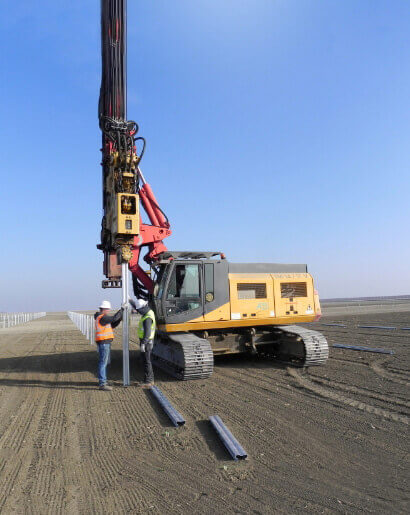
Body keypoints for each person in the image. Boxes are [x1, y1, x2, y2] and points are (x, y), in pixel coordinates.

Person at [94, 300, 123, 391]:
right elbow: (113, 318)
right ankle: (102, 383)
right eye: (108, 309)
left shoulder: (101, 318)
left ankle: (103, 381)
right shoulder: (102, 317)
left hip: (104, 343)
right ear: (104, 309)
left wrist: (120, 317)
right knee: (103, 363)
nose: (109, 311)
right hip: (104, 343)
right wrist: (122, 310)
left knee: (104, 363)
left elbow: (113, 324)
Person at [129, 298, 156, 387]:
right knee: (147, 361)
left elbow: (147, 332)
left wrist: (143, 343)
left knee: (146, 361)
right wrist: (130, 300)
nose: (139, 312)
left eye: (140, 310)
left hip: (147, 342)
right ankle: (149, 380)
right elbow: (137, 307)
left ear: (143, 308)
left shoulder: (147, 318)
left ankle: (148, 381)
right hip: (148, 342)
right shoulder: (148, 312)